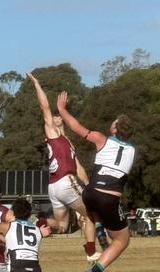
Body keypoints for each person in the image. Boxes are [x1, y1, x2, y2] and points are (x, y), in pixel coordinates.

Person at [57, 90, 135, 272]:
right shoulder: (132, 151)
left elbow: (76, 127)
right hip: (108, 196)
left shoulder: (102, 139)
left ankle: (98, 226)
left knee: (93, 207)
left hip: (89, 193)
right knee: (122, 240)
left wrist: (62, 110)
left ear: (115, 128)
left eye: (114, 122)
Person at [27, 73, 106, 262]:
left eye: (57, 116)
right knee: (92, 213)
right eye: (53, 117)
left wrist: (87, 185)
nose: (56, 118)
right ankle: (91, 251)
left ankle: (35, 220)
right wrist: (37, 84)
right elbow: (44, 106)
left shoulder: (68, 142)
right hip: (64, 182)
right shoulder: (52, 134)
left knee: (62, 226)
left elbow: (77, 166)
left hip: (55, 187)